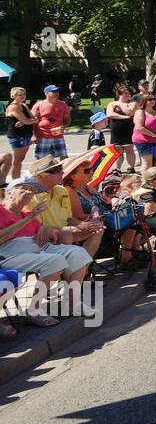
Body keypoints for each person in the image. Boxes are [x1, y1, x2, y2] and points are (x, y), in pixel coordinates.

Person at [0, 184, 96, 325]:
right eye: (23, 189)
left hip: (37, 247)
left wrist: (47, 229)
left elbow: (50, 233)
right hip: (9, 253)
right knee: (55, 261)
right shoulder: (3, 211)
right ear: (9, 192)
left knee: (78, 253)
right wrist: (28, 219)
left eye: (32, 191)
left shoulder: (27, 213)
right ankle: (34, 309)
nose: (29, 192)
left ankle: (73, 302)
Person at [30, 84, 71, 161]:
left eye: (57, 91)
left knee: (64, 156)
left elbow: (67, 118)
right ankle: (41, 173)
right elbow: (32, 122)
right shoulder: (39, 105)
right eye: (53, 91)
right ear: (46, 93)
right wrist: (33, 135)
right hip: (42, 135)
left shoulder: (62, 104)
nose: (56, 93)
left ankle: (64, 172)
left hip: (58, 135)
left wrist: (64, 126)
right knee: (41, 159)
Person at [132, 91, 156, 168]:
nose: (152, 101)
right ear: (144, 101)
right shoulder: (140, 112)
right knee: (147, 162)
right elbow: (139, 127)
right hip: (144, 141)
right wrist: (153, 135)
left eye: (153, 99)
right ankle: (146, 179)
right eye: (149, 99)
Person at [6, 86, 35, 182]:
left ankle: (17, 179)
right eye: (20, 95)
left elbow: (32, 118)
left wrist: (26, 121)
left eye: (24, 94)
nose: (23, 96)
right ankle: (15, 181)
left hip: (26, 135)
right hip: (17, 136)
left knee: (20, 159)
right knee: (17, 160)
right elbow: (28, 121)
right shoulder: (13, 107)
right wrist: (27, 121)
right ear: (13, 96)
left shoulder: (23, 105)